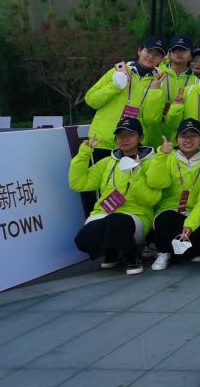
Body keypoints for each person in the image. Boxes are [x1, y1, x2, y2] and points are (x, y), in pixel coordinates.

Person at [68, 117, 160, 275]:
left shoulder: (153, 162)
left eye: (130, 135)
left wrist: (136, 175)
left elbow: (152, 199)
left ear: (141, 137)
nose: (124, 139)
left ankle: (133, 257)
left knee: (116, 221)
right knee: (82, 238)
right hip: (105, 212)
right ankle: (112, 251)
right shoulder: (108, 162)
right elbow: (79, 183)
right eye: (120, 135)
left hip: (137, 216)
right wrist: (83, 154)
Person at [148, 118, 200, 270]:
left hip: (193, 215)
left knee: (190, 254)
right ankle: (164, 252)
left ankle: (193, 247)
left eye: (193, 136)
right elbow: (155, 182)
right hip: (168, 212)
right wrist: (161, 156)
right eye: (183, 136)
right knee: (167, 218)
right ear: (177, 139)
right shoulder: (167, 156)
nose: (188, 140)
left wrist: (191, 223)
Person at [84, 36, 166, 151]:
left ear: (162, 59)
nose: (151, 56)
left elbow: (151, 120)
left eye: (157, 54)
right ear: (139, 51)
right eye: (148, 51)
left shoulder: (159, 81)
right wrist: (115, 86)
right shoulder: (117, 71)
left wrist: (154, 92)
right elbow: (91, 100)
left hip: (133, 145)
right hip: (102, 141)